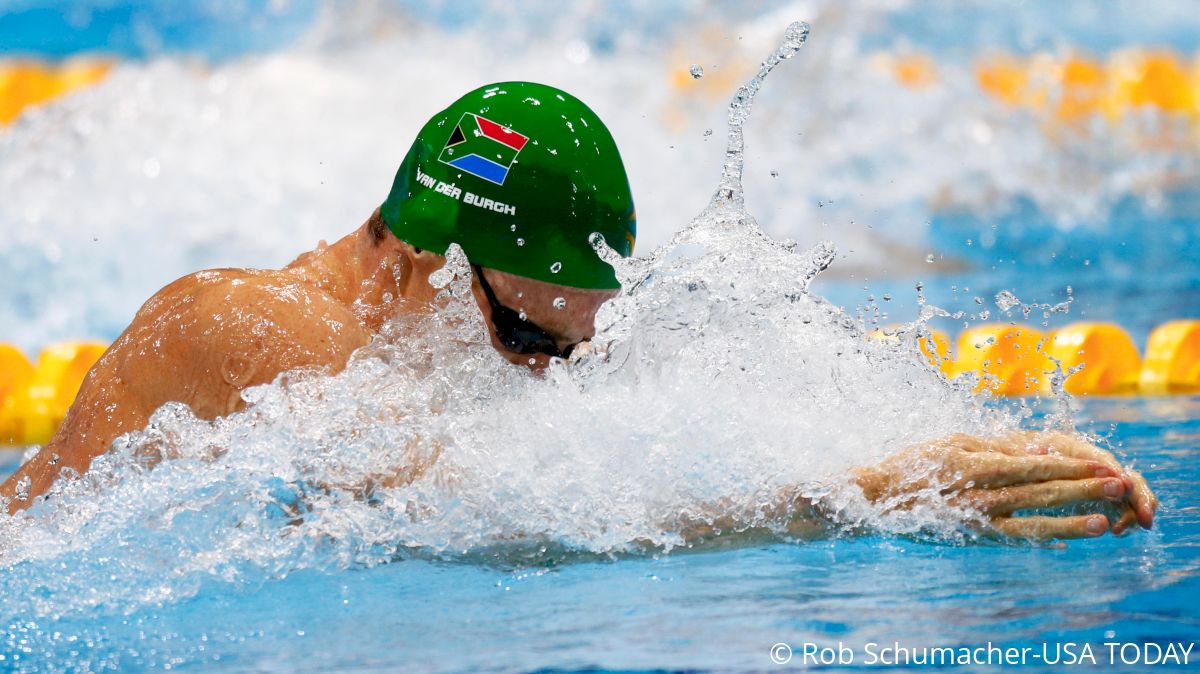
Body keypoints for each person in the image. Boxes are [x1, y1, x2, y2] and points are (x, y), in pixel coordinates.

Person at [0, 82, 1157, 539]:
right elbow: (486, 512)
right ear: (438, 263)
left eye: (574, 351)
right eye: (529, 339)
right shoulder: (247, 327)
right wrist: (861, 495)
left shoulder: (404, 348)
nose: (544, 381)